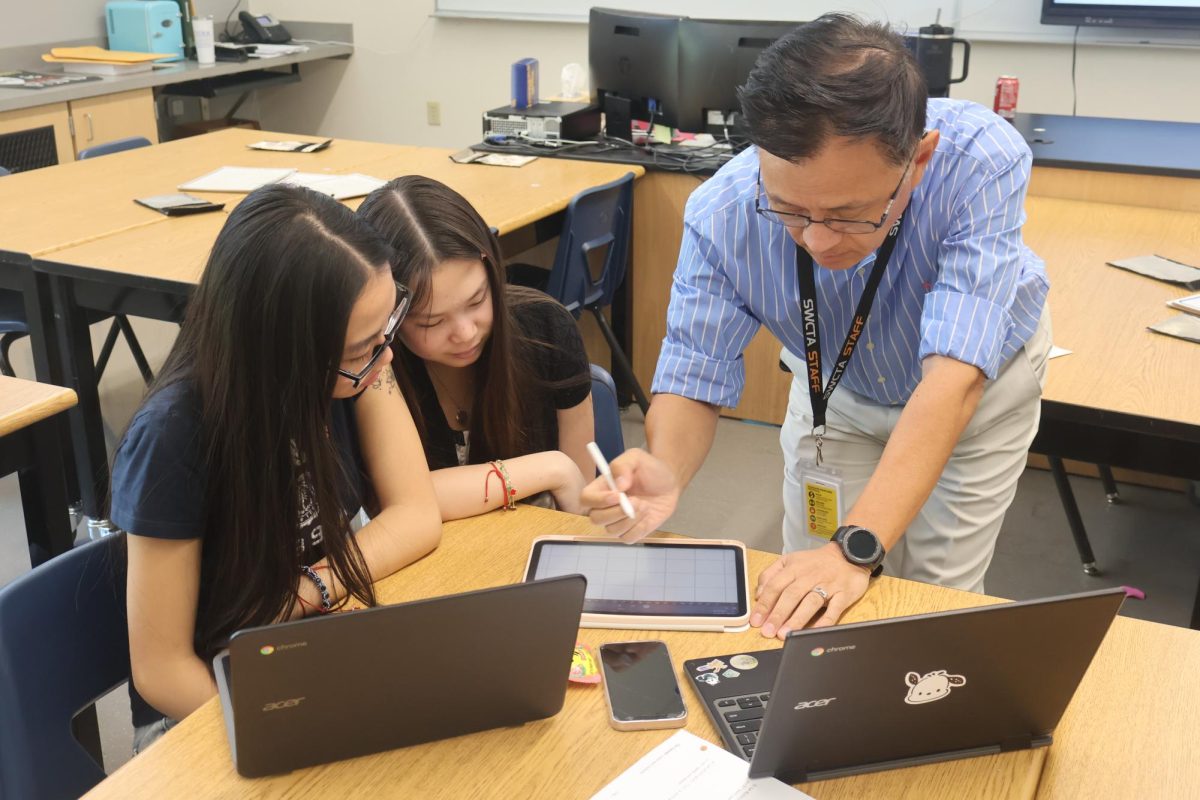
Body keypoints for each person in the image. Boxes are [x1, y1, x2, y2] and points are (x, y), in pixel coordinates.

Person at [582, 14, 1051, 639]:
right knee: (804, 587)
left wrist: (857, 549)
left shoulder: (977, 161)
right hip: (836, 392)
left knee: (935, 595)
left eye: (850, 214)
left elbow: (954, 377)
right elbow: (695, 369)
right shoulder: (722, 213)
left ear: (918, 160)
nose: (820, 241)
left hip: (974, 398)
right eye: (791, 211)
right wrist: (666, 464)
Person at [110, 184, 442, 753]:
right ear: (283, 350)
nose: (387, 356)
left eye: (389, 324)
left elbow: (417, 514)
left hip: (312, 656)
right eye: (364, 345)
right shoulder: (174, 436)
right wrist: (283, 728)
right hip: (208, 711)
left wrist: (309, 587)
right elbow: (162, 671)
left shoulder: (355, 364)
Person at [357, 176, 594, 520]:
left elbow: (579, 501)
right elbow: (398, 503)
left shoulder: (546, 329)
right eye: (431, 322)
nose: (466, 333)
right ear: (387, 317)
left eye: (478, 299)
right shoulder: (374, 365)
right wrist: (551, 468)